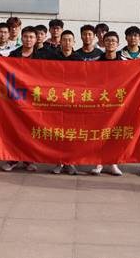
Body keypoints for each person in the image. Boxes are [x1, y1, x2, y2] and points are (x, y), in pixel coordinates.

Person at [2, 27, 41, 172]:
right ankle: (13, 159)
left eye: (31, 37)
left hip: (35, 98)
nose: (28, 40)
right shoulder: (14, 54)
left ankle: (29, 160)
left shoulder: (42, 56)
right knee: (16, 129)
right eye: (25, 36)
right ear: (21, 38)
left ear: (36, 39)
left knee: (31, 129)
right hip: (17, 97)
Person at [91, 31, 125, 176]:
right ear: (103, 43)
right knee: (99, 133)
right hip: (100, 103)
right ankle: (98, 162)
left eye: (113, 41)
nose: (110, 43)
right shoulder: (96, 62)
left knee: (114, 133)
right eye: (108, 40)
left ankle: (112, 163)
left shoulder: (124, 62)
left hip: (117, 104)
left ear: (118, 44)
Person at [51, 31, 83, 175]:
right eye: (64, 40)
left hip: (73, 101)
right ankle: (59, 162)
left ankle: (70, 162)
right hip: (56, 100)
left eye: (70, 40)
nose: (67, 42)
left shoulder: (78, 59)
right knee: (58, 133)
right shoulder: (53, 58)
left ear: (74, 42)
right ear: (60, 42)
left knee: (71, 134)